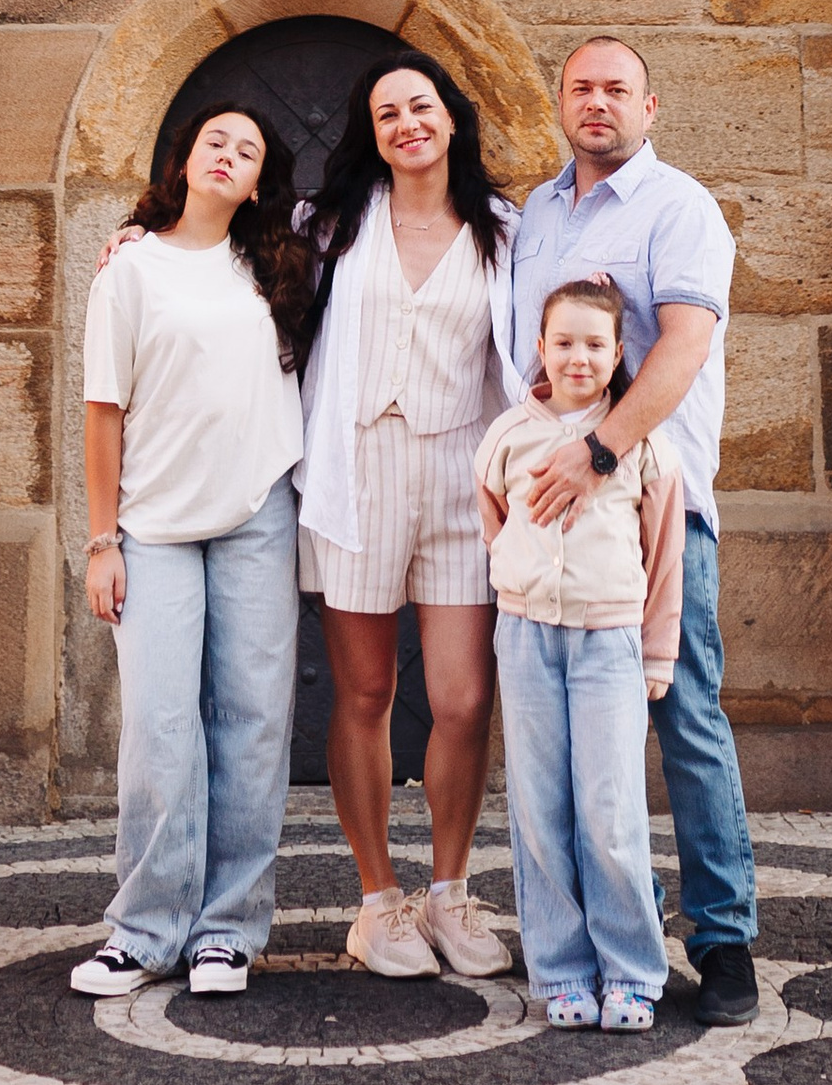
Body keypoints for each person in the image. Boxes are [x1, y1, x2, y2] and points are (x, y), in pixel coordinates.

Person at [496, 37, 760, 1025]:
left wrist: (599, 452)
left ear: (653, 106)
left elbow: (684, 345)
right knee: (568, 743)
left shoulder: (676, 208)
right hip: (551, 525)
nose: (596, 102)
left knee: (683, 710)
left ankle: (724, 937)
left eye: (616, 89)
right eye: (580, 88)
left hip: (650, 506)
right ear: (558, 105)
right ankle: (614, 930)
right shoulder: (535, 215)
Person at [73, 101, 312, 1000]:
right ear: (185, 159)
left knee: (253, 724)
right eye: (217, 140)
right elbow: (104, 412)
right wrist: (104, 542)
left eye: (249, 149)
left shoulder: (276, 268)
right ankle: (144, 930)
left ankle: (227, 933)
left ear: (259, 183)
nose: (230, 154)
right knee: (161, 729)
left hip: (257, 516)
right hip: (153, 527)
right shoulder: (127, 271)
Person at [297, 54, 526, 982]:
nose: (405, 123)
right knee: (365, 694)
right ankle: (376, 902)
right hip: (356, 466)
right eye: (386, 111)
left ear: (451, 119)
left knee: (465, 698)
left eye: (419, 106)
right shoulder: (329, 224)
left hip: (462, 471)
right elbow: (224, 256)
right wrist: (131, 240)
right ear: (373, 131)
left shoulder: (504, 229)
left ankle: (449, 892)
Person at [478, 274, 684, 1029]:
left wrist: (658, 654)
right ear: (539, 348)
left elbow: (664, 558)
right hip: (528, 640)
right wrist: (518, 581)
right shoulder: (508, 436)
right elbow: (493, 518)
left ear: (618, 351)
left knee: (610, 810)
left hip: (609, 647)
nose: (578, 358)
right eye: (563, 343)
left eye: (594, 345)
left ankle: (630, 969)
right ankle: (561, 969)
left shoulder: (643, 448)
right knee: (539, 810)